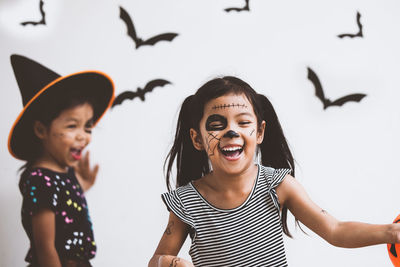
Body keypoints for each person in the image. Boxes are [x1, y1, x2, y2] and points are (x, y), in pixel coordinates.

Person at [149, 76, 400, 267]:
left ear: (259, 132)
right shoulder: (187, 201)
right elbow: (156, 260)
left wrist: (391, 232)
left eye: (243, 122)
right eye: (217, 124)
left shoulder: (278, 185)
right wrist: (169, 262)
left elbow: (335, 230)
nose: (231, 131)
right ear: (197, 139)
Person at [8, 54, 114, 267]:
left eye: (87, 127)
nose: (83, 136)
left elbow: (63, 206)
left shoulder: (60, 174)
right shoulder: (40, 180)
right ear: (41, 129)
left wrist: (81, 186)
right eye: (71, 126)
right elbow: (45, 247)